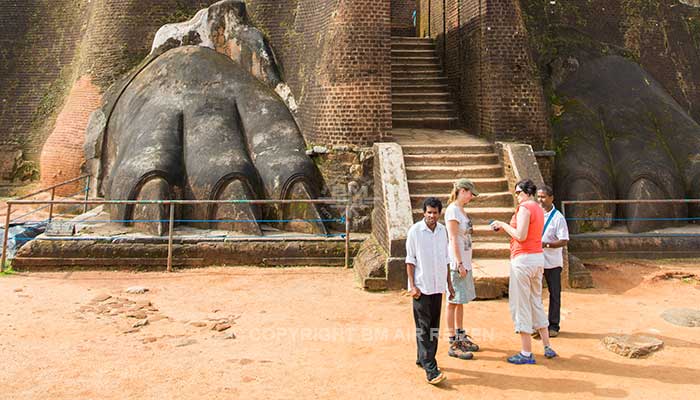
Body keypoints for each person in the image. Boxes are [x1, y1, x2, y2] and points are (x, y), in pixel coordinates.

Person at [490, 179, 558, 364]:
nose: (517, 195)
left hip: (524, 259)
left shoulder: (525, 208)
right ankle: (547, 346)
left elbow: (521, 235)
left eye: (518, 192)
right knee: (535, 300)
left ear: (526, 192)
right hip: (537, 258)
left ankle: (526, 352)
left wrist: (503, 225)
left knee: (521, 304)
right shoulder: (538, 208)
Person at [406, 197, 454, 385]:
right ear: (423, 213)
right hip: (421, 287)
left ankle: (422, 357)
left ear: (439, 213)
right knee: (423, 327)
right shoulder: (415, 232)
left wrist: (449, 284)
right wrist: (412, 286)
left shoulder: (443, 232)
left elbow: (446, 259)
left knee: (433, 326)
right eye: (429, 213)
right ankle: (431, 369)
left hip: (437, 287)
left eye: (435, 213)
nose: (432, 216)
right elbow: (410, 260)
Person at [444, 179, 480, 360]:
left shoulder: (461, 210)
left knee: (461, 299)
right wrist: (458, 264)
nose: (471, 197)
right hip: (457, 263)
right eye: (470, 193)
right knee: (453, 301)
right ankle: (452, 340)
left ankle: (460, 334)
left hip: (464, 261)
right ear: (462, 191)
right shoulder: (452, 211)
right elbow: (452, 239)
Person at [536, 185, 569, 338]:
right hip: (536, 260)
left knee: (554, 294)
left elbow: (564, 240)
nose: (540, 200)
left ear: (551, 198)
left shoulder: (558, 218)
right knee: (534, 293)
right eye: (538, 197)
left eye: (543, 197)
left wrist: (547, 244)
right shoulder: (536, 214)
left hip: (553, 262)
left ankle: (553, 325)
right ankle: (538, 324)